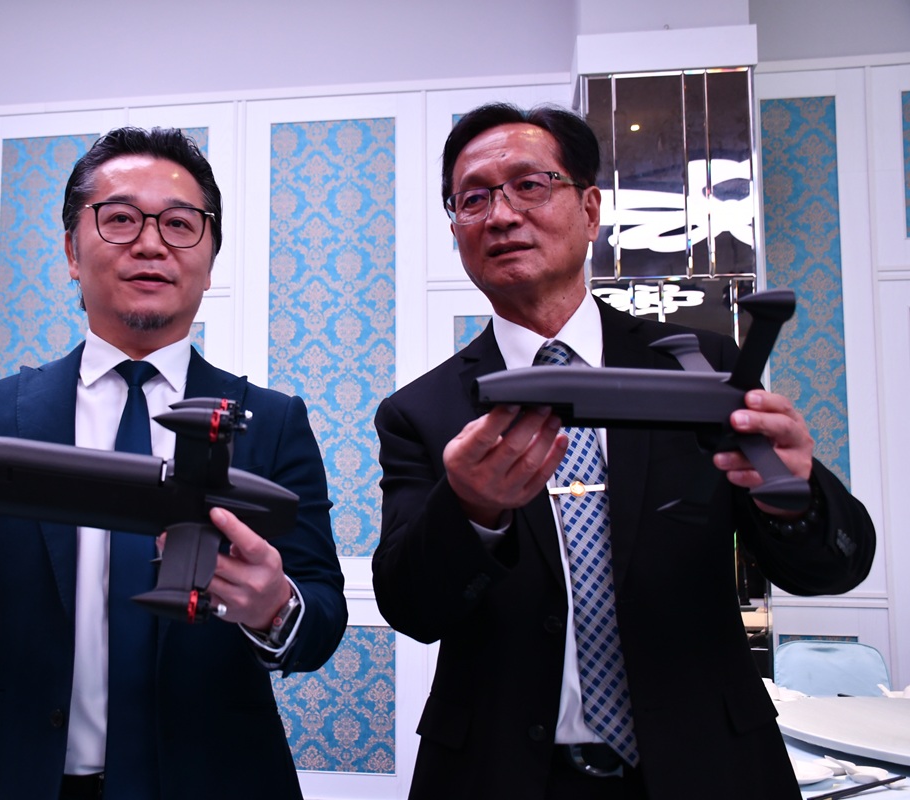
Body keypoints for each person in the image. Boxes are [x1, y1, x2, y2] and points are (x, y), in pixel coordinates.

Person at [371, 103, 875, 800]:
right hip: (500, 773)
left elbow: (833, 567)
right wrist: (470, 513)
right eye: (473, 198)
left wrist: (793, 498)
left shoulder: (700, 368)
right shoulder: (421, 412)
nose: (502, 215)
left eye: (529, 185)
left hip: (708, 766)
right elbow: (411, 608)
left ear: (590, 210)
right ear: (456, 228)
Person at [0, 127, 347, 800]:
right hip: (20, 779)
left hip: (216, 779)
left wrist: (274, 606)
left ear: (210, 259)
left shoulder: (271, 422)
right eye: (120, 218)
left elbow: (320, 618)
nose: (151, 243)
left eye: (180, 223)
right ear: (72, 251)